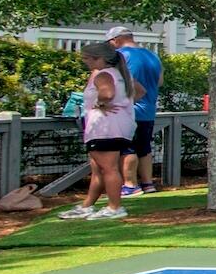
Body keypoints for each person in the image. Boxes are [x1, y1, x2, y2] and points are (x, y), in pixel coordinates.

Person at [59, 41, 139, 221]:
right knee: (99, 169)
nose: (85, 62)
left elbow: (107, 93)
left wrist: (101, 103)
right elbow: (139, 91)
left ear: (99, 58)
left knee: (109, 169)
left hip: (104, 128)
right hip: (119, 127)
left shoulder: (103, 74)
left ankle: (115, 207)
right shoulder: (121, 74)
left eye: (87, 59)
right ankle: (88, 205)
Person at [107, 25, 163, 197]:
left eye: (109, 42)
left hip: (130, 110)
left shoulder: (121, 56)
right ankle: (148, 184)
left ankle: (130, 185)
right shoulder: (153, 55)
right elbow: (160, 82)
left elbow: (121, 82)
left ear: (116, 40)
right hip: (148, 110)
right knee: (144, 148)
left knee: (127, 148)